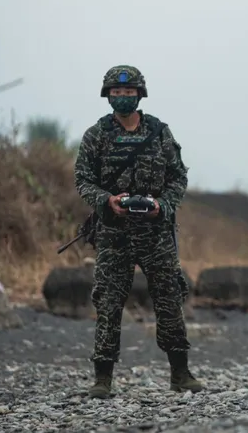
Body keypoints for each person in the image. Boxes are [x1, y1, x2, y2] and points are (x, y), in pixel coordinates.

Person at [74, 65, 202, 399]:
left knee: (169, 298)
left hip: (156, 233)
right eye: (117, 93)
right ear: (108, 96)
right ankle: (102, 378)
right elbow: (83, 180)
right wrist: (106, 200)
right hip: (113, 233)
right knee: (108, 302)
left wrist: (163, 205)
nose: (123, 98)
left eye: (128, 92)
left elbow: (178, 177)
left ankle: (181, 373)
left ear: (139, 95)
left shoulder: (159, 132)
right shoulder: (96, 135)